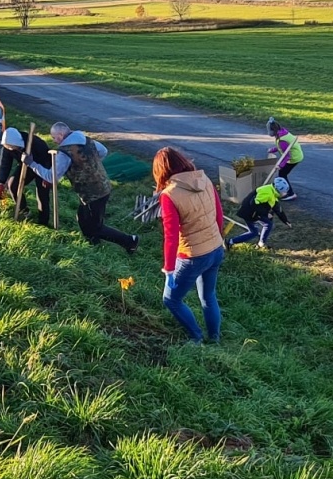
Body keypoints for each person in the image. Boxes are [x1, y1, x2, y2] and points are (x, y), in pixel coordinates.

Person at [153, 146, 226, 343]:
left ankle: (196, 337)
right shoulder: (205, 180)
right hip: (216, 249)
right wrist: (217, 239)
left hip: (192, 256)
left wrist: (169, 269)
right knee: (208, 296)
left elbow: (171, 236)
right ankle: (215, 338)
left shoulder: (169, 195)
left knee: (171, 299)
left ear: (161, 170)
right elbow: (219, 216)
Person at [37, 122, 139, 253]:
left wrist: (32, 164)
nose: (54, 140)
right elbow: (103, 151)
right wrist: (91, 165)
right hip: (102, 186)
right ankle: (94, 244)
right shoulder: (86, 140)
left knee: (95, 227)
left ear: (61, 135)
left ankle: (130, 241)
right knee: (83, 218)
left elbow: (51, 177)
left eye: (54, 137)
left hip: (93, 193)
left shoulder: (65, 153)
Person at [0, 125, 52, 223]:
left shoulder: (35, 143)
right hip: (26, 166)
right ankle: (24, 210)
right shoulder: (8, 145)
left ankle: (43, 221)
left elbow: (48, 159)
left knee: (42, 193)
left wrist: (47, 177)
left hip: (42, 166)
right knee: (13, 185)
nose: (10, 149)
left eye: (11, 147)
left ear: (16, 143)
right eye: (7, 147)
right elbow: (6, 163)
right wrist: (1, 181)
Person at [226, 176, 291, 250]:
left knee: (262, 227)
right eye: (284, 192)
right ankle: (231, 242)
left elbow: (278, 209)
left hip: (254, 212)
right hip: (249, 212)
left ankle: (232, 242)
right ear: (278, 190)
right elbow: (253, 203)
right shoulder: (267, 192)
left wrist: (286, 221)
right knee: (261, 228)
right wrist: (266, 214)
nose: (285, 194)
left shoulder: (273, 192)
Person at [266, 117, 304, 199]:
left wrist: (280, 165)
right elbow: (282, 148)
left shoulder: (282, 139)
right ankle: (284, 190)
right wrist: (273, 150)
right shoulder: (281, 133)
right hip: (294, 155)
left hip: (294, 157)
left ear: (273, 131)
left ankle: (291, 194)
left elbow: (287, 155)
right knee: (282, 173)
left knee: (282, 173)